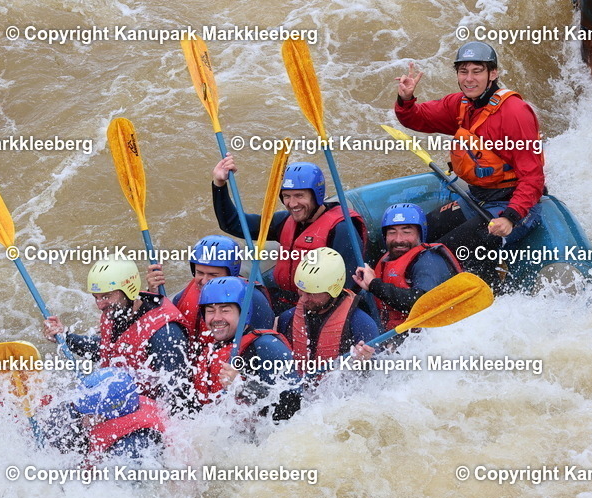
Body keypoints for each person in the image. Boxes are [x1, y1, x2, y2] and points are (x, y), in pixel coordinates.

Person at [394, 41, 545, 282]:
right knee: (421, 230)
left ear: (492, 74)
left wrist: (510, 217)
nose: (469, 79)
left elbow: (533, 177)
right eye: (463, 71)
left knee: (447, 250)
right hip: (477, 198)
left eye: (477, 71)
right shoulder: (460, 104)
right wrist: (406, 98)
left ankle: (491, 290)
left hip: (512, 205)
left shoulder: (515, 113)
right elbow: (417, 118)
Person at [212, 156, 367, 312]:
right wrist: (219, 184)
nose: (292, 204)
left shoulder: (341, 230)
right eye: (287, 196)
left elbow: (348, 289)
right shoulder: (285, 221)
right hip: (284, 300)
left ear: (317, 195)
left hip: (316, 308)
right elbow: (233, 224)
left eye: (299, 196)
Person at [43, 257, 192, 413]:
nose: (100, 305)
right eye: (96, 297)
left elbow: (179, 396)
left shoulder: (165, 334)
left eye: (106, 296)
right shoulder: (116, 312)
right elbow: (106, 350)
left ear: (129, 291)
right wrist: (65, 337)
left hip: (144, 413)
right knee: (53, 411)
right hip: (116, 401)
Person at [192, 276, 301, 421]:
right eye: (210, 311)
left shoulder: (267, 346)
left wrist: (241, 387)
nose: (216, 318)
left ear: (244, 312)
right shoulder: (210, 350)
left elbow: (295, 405)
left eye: (225, 310)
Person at [353, 203, 462, 332]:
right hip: (392, 336)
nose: (399, 239)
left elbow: (423, 302)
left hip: (425, 338)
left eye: (406, 232)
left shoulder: (428, 259)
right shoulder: (385, 260)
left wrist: (374, 285)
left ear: (420, 234)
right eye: (392, 232)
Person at [145, 234, 274, 340]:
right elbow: (163, 324)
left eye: (213, 275)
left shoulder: (253, 300)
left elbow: (263, 345)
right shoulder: (185, 296)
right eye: (200, 273)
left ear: (231, 274)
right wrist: (154, 294)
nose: (204, 281)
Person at [276, 247, 379, 371]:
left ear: (333, 290)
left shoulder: (362, 324)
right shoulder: (287, 319)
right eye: (301, 290)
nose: (303, 298)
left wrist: (364, 363)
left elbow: (377, 377)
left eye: (312, 293)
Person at [42, 368, 167, 465]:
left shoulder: (133, 449)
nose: (82, 419)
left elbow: (125, 493)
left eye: (88, 415)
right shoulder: (114, 408)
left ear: (109, 415)